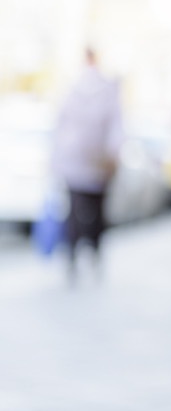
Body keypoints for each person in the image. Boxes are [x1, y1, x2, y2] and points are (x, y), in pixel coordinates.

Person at [51, 47, 123, 282]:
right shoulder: (107, 88)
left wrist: (57, 160)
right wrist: (113, 153)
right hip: (98, 161)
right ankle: (94, 252)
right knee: (96, 211)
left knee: (74, 210)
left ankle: (73, 255)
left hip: (74, 161)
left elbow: (59, 126)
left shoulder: (71, 87)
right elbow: (116, 125)